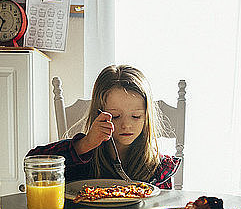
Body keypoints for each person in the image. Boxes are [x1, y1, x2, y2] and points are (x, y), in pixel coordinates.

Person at [28, 64, 180, 189]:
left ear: (147, 117)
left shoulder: (158, 168)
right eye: (115, 116)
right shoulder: (83, 158)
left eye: (136, 116)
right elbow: (33, 162)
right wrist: (84, 144)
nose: (126, 125)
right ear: (98, 114)